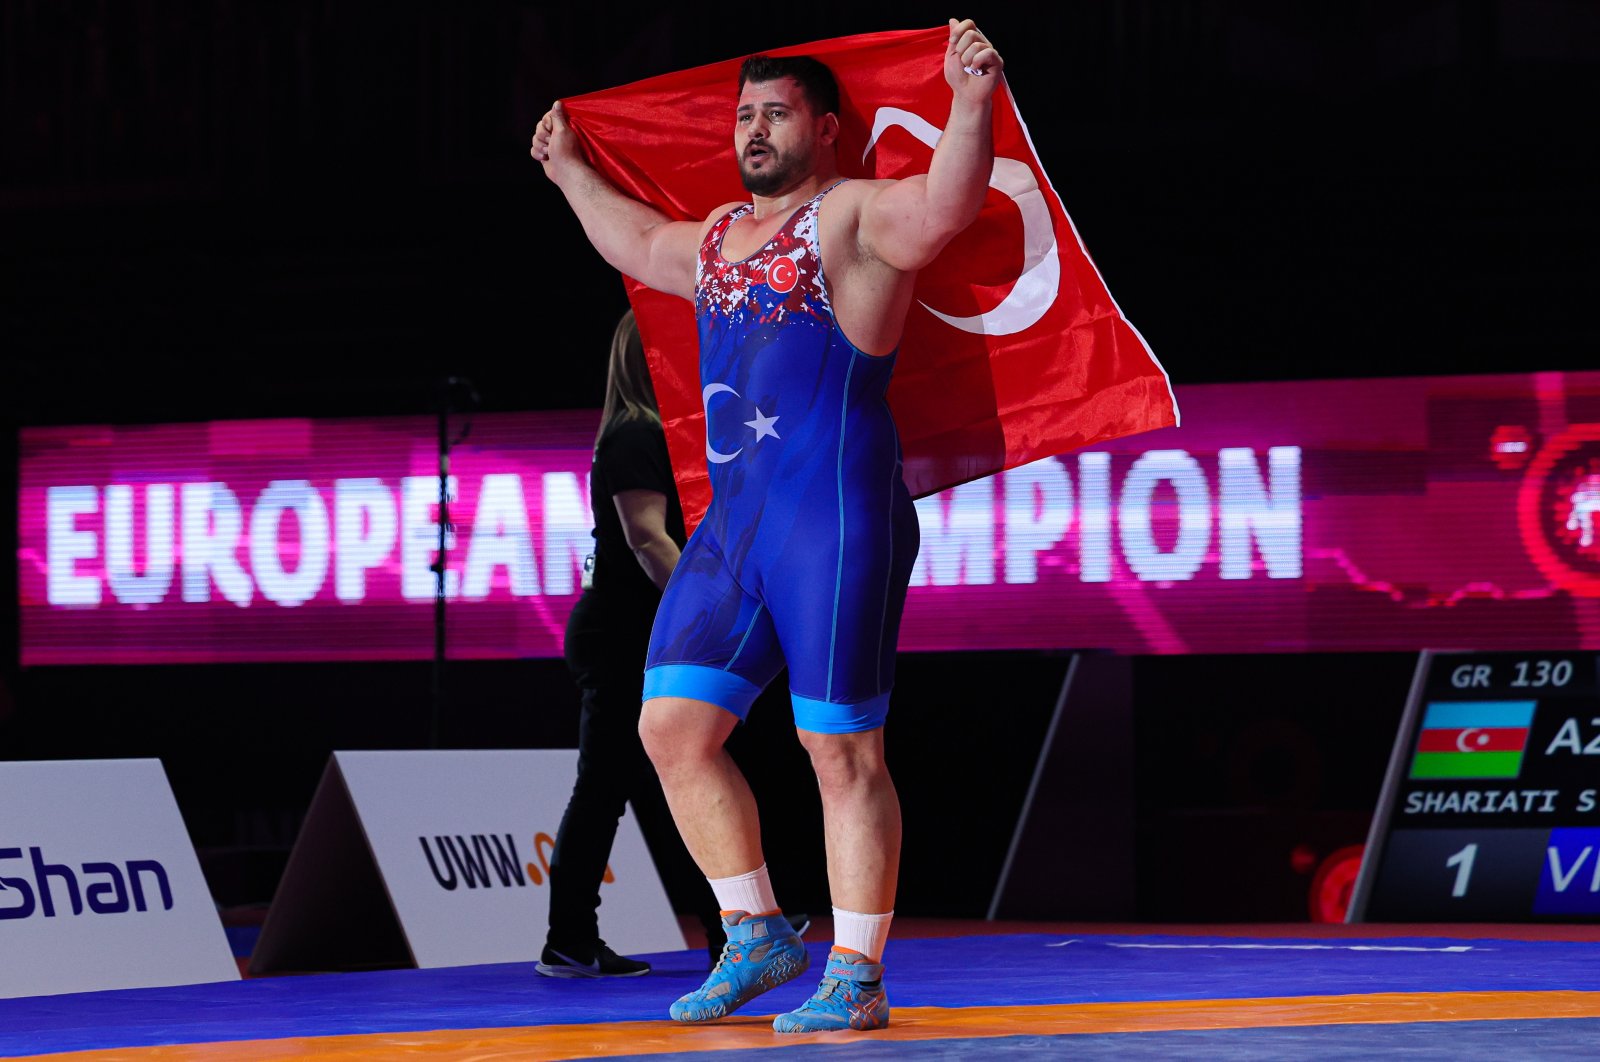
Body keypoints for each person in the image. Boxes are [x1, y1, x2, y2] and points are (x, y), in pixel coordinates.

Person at [531, 19, 1003, 1032]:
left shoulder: (855, 218)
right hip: (735, 531)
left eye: (775, 113)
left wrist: (969, 99)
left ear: (825, 128)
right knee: (670, 730)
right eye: (743, 115)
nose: (753, 130)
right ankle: (754, 933)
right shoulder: (711, 239)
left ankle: (857, 978)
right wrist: (569, 170)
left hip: (832, 522)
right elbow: (636, 242)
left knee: (840, 753)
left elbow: (944, 209)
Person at [537, 309, 720, 978]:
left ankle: (730, 929)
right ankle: (570, 940)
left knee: (675, 778)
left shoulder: (662, 435)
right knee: (608, 787)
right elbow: (647, 539)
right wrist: (705, 610)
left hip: (643, 630)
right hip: (625, 635)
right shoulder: (633, 436)